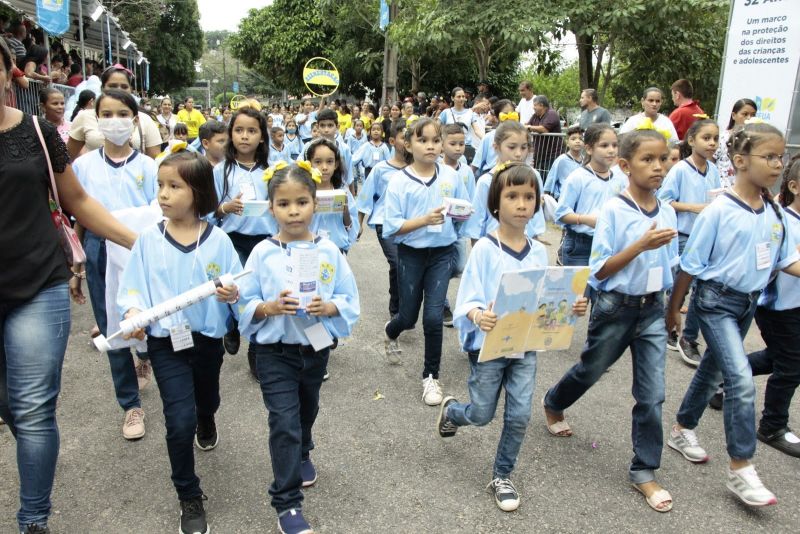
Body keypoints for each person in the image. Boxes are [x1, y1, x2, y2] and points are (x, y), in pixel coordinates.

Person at [0, 38, 138, 534]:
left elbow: (77, 199)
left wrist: (141, 243)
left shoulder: (38, 132)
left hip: (38, 283)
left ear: (10, 73)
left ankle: (33, 519)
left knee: (34, 407)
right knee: (10, 405)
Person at [439, 162, 588, 511]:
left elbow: (545, 298)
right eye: (512, 196)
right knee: (481, 414)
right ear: (496, 203)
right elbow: (468, 300)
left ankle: (502, 475)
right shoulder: (485, 251)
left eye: (529, 196)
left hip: (525, 348)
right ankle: (453, 413)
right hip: (488, 348)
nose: (522, 204)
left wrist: (570, 308)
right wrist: (479, 314)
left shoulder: (538, 250)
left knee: (519, 415)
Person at [544, 129, 678, 513]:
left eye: (663, 159)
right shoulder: (614, 211)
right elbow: (599, 271)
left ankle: (644, 470)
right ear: (625, 165)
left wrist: (672, 310)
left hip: (652, 309)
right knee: (591, 369)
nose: (657, 167)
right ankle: (554, 401)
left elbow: (671, 265)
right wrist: (640, 246)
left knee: (652, 395)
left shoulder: (666, 210)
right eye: (647, 160)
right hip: (616, 307)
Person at [666, 122, 800, 508]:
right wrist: (675, 309)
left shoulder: (774, 212)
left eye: (781, 157)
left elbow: (787, 260)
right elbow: (690, 265)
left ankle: (682, 428)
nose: (778, 164)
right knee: (740, 378)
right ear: (740, 161)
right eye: (769, 156)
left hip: (747, 304)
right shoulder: (719, 210)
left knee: (713, 370)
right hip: (714, 301)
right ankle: (741, 467)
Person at [118, 150, 242, 534]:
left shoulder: (219, 240)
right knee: (178, 421)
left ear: (199, 191)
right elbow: (133, 289)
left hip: (206, 341)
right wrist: (131, 314)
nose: (164, 194)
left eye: (175, 186)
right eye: (160, 186)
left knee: (207, 400)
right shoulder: (147, 242)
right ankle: (188, 494)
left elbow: (239, 282)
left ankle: (208, 415)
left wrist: (232, 294)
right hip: (165, 344)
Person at [238, 163, 360, 534]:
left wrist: (329, 306)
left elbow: (348, 297)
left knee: (308, 409)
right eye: (284, 203)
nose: (294, 211)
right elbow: (245, 302)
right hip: (274, 353)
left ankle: (304, 449)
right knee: (283, 422)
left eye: (302, 202)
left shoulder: (329, 251)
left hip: (315, 347)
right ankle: (287, 503)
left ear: (314, 204)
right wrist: (269, 307)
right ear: (271, 207)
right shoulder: (262, 252)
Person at [69, 89, 159, 439]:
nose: (114, 120)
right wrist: (77, 265)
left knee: (149, 318)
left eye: (122, 114)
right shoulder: (82, 166)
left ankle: (147, 355)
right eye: (106, 114)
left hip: (141, 248)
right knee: (111, 324)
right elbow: (78, 213)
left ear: (135, 120)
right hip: (99, 249)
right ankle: (130, 405)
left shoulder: (150, 167)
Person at [382, 118, 471, 405]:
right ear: (408, 144)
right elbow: (391, 227)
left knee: (433, 317)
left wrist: (458, 220)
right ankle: (391, 330)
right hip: (411, 253)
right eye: (423, 140)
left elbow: (464, 209)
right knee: (408, 318)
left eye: (435, 140)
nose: (431, 146)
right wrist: (424, 220)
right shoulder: (398, 181)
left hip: (442, 254)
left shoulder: (451, 176)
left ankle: (430, 376)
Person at [744, 155, 800, 458]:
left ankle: (725, 376)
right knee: (791, 366)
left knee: (778, 357)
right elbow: (777, 262)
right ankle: (773, 426)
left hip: (796, 306)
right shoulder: (782, 221)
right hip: (777, 307)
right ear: (794, 186)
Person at [212, 106, 274, 375]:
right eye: (239, 130)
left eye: (252, 131)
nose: (245, 136)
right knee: (235, 292)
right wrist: (226, 208)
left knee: (259, 295)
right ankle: (233, 325)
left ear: (262, 136)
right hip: (232, 240)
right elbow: (207, 211)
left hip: (266, 241)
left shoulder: (274, 168)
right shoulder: (220, 171)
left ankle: (256, 351)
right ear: (230, 135)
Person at [658, 119, 720, 366]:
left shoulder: (713, 171)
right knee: (679, 286)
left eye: (715, 138)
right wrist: (694, 207)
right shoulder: (680, 170)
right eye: (706, 138)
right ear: (692, 141)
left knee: (700, 286)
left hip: (705, 237)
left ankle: (688, 336)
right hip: (684, 235)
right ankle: (669, 327)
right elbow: (665, 200)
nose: (712, 143)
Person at [357, 120, 408, 319]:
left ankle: (407, 305)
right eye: (404, 138)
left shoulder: (419, 168)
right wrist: (359, 223)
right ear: (393, 141)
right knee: (396, 263)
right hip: (384, 222)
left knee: (407, 265)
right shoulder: (381, 169)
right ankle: (396, 310)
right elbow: (366, 197)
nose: (409, 142)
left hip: (411, 224)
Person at [555, 124, 626, 265]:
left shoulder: (620, 179)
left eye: (614, 145)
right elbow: (561, 214)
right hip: (581, 245)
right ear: (588, 149)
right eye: (604, 145)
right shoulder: (578, 178)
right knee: (581, 287)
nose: (611, 150)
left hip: (609, 243)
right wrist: (586, 219)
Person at [465, 120, 546, 244]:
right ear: (496, 147)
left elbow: (536, 219)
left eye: (524, 147)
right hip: (495, 247)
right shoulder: (487, 181)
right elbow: (476, 224)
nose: (518, 154)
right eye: (512, 147)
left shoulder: (534, 176)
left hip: (525, 246)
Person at [68, 64, 162, 159]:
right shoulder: (85, 117)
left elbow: (155, 161)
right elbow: (68, 159)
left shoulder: (144, 120)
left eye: (124, 86)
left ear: (131, 90)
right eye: (113, 86)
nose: (119, 90)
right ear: (102, 88)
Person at [307, 138, 359, 253]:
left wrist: (345, 211)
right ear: (309, 163)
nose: (324, 167)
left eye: (329, 161)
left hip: (337, 249)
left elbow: (351, 227)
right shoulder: (305, 193)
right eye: (318, 162)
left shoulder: (342, 191)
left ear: (336, 164)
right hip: (310, 250)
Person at [715, 98, 757, 186]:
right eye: (745, 114)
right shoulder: (723, 137)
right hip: (722, 184)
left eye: (753, 115)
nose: (749, 118)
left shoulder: (755, 139)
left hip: (745, 186)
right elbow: (711, 160)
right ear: (734, 115)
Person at [471, 99, 516, 177]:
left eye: (511, 114)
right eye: (505, 114)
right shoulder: (488, 137)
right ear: (497, 116)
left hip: (512, 175)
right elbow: (476, 163)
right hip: (491, 175)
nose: (509, 117)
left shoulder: (519, 137)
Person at [439, 87, 484, 161]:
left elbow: (477, 130)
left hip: (466, 148)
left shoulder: (470, 113)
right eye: (458, 96)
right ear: (452, 98)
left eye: (463, 96)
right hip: (449, 147)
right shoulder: (446, 112)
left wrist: (487, 139)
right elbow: (436, 128)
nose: (461, 99)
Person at [526, 95, 563, 182]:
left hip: (552, 154)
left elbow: (544, 129)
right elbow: (527, 125)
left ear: (541, 105)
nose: (533, 107)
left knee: (549, 178)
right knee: (539, 178)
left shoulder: (551, 113)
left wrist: (529, 127)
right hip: (540, 154)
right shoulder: (535, 115)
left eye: (535, 105)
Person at [544, 125, 583, 201]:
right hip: (563, 197)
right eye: (573, 139)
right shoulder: (562, 160)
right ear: (567, 142)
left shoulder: (585, 161)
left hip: (580, 197)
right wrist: (545, 196)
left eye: (581, 139)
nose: (577, 141)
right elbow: (551, 178)